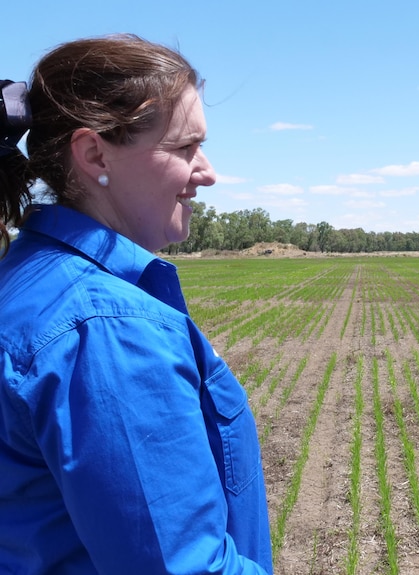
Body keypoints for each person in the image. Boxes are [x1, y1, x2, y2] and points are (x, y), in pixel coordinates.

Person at [0, 35, 273, 573]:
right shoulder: (105, 329)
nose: (208, 171)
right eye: (184, 147)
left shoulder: (27, 279)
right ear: (94, 153)